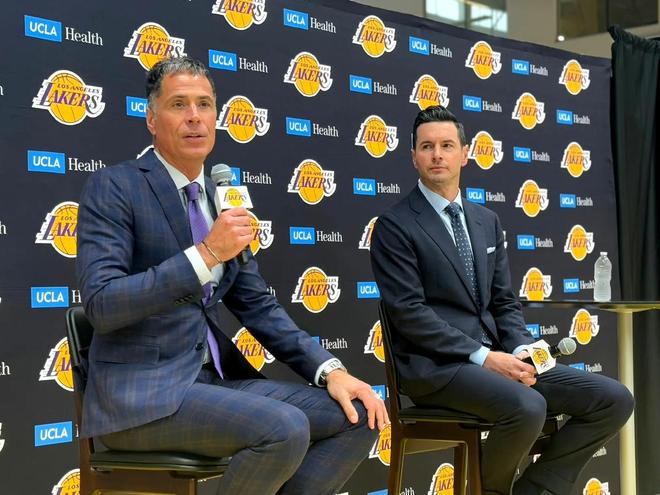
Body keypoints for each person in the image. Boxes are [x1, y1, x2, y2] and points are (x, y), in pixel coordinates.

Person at [76, 56, 388, 495]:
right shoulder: (115, 186)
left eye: (204, 104)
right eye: (179, 104)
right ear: (151, 119)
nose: (194, 116)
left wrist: (330, 370)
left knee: (359, 414)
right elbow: (103, 303)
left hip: (212, 384)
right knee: (283, 427)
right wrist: (206, 254)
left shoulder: (221, 198)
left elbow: (258, 306)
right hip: (140, 398)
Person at [369, 105, 633, 495]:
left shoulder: (486, 220)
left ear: (465, 153)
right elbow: (409, 314)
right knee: (527, 406)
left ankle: (535, 489)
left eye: (446, 145)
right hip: (437, 368)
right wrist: (485, 357)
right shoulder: (395, 225)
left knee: (613, 398)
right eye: (427, 146)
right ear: (413, 157)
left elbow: (504, 302)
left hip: (499, 358)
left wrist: (521, 348)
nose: (437, 155)